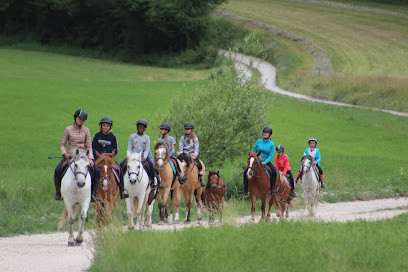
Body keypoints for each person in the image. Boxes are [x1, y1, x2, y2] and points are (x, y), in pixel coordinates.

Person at [54, 109, 100, 202]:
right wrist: (64, 153)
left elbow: (89, 147)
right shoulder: (68, 129)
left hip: (83, 157)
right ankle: (58, 192)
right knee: (58, 170)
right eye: (79, 118)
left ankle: (93, 194)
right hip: (71, 156)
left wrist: (90, 158)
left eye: (83, 120)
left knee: (97, 170)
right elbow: (62, 144)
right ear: (75, 117)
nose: (81, 121)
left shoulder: (86, 130)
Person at [92, 116, 129, 199]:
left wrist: (110, 157)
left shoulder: (113, 137)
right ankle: (92, 191)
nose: (105, 127)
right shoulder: (97, 136)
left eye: (107, 126)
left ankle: (122, 190)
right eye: (104, 125)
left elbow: (115, 150)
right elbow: (93, 147)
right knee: (92, 170)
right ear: (101, 126)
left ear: (110, 127)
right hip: (99, 159)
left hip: (109, 159)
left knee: (119, 169)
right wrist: (97, 156)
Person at [120, 118, 162, 189]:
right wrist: (129, 156)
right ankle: (121, 183)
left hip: (142, 156)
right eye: (140, 127)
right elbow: (129, 148)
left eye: (143, 127)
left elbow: (147, 149)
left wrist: (144, 157)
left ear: (145, 128)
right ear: (137, 127)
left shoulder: (147, 138)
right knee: (122, 165)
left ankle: (152, 181)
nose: (141, 128)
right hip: (133, 156)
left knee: (151, 165)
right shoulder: (132, 136)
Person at [240, 126, 278, 195]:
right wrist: (254, 157)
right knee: (246, 171)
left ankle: (272, 188)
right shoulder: (258, 141)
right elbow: (254, 151)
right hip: (256, 161)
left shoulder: (272, 144)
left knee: (274, 171)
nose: (264, 133)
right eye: (264, 132)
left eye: (266, 132)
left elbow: (271, 155)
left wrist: (265, 162)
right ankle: (245, 190)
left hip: (265, 161)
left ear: (270, 134)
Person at [177, 122, 205, 186]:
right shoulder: (182, 138)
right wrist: (181, 155)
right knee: (177, 164)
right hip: (184, 155)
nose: (187, 130)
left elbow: (196, 149)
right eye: (186, 129)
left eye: (188, 129)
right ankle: (177, 177)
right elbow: (180, 148)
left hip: (192, 155)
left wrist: (194, 156)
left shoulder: (195, 138)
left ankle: (201, 179)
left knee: (199, 164)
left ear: (191, 130)